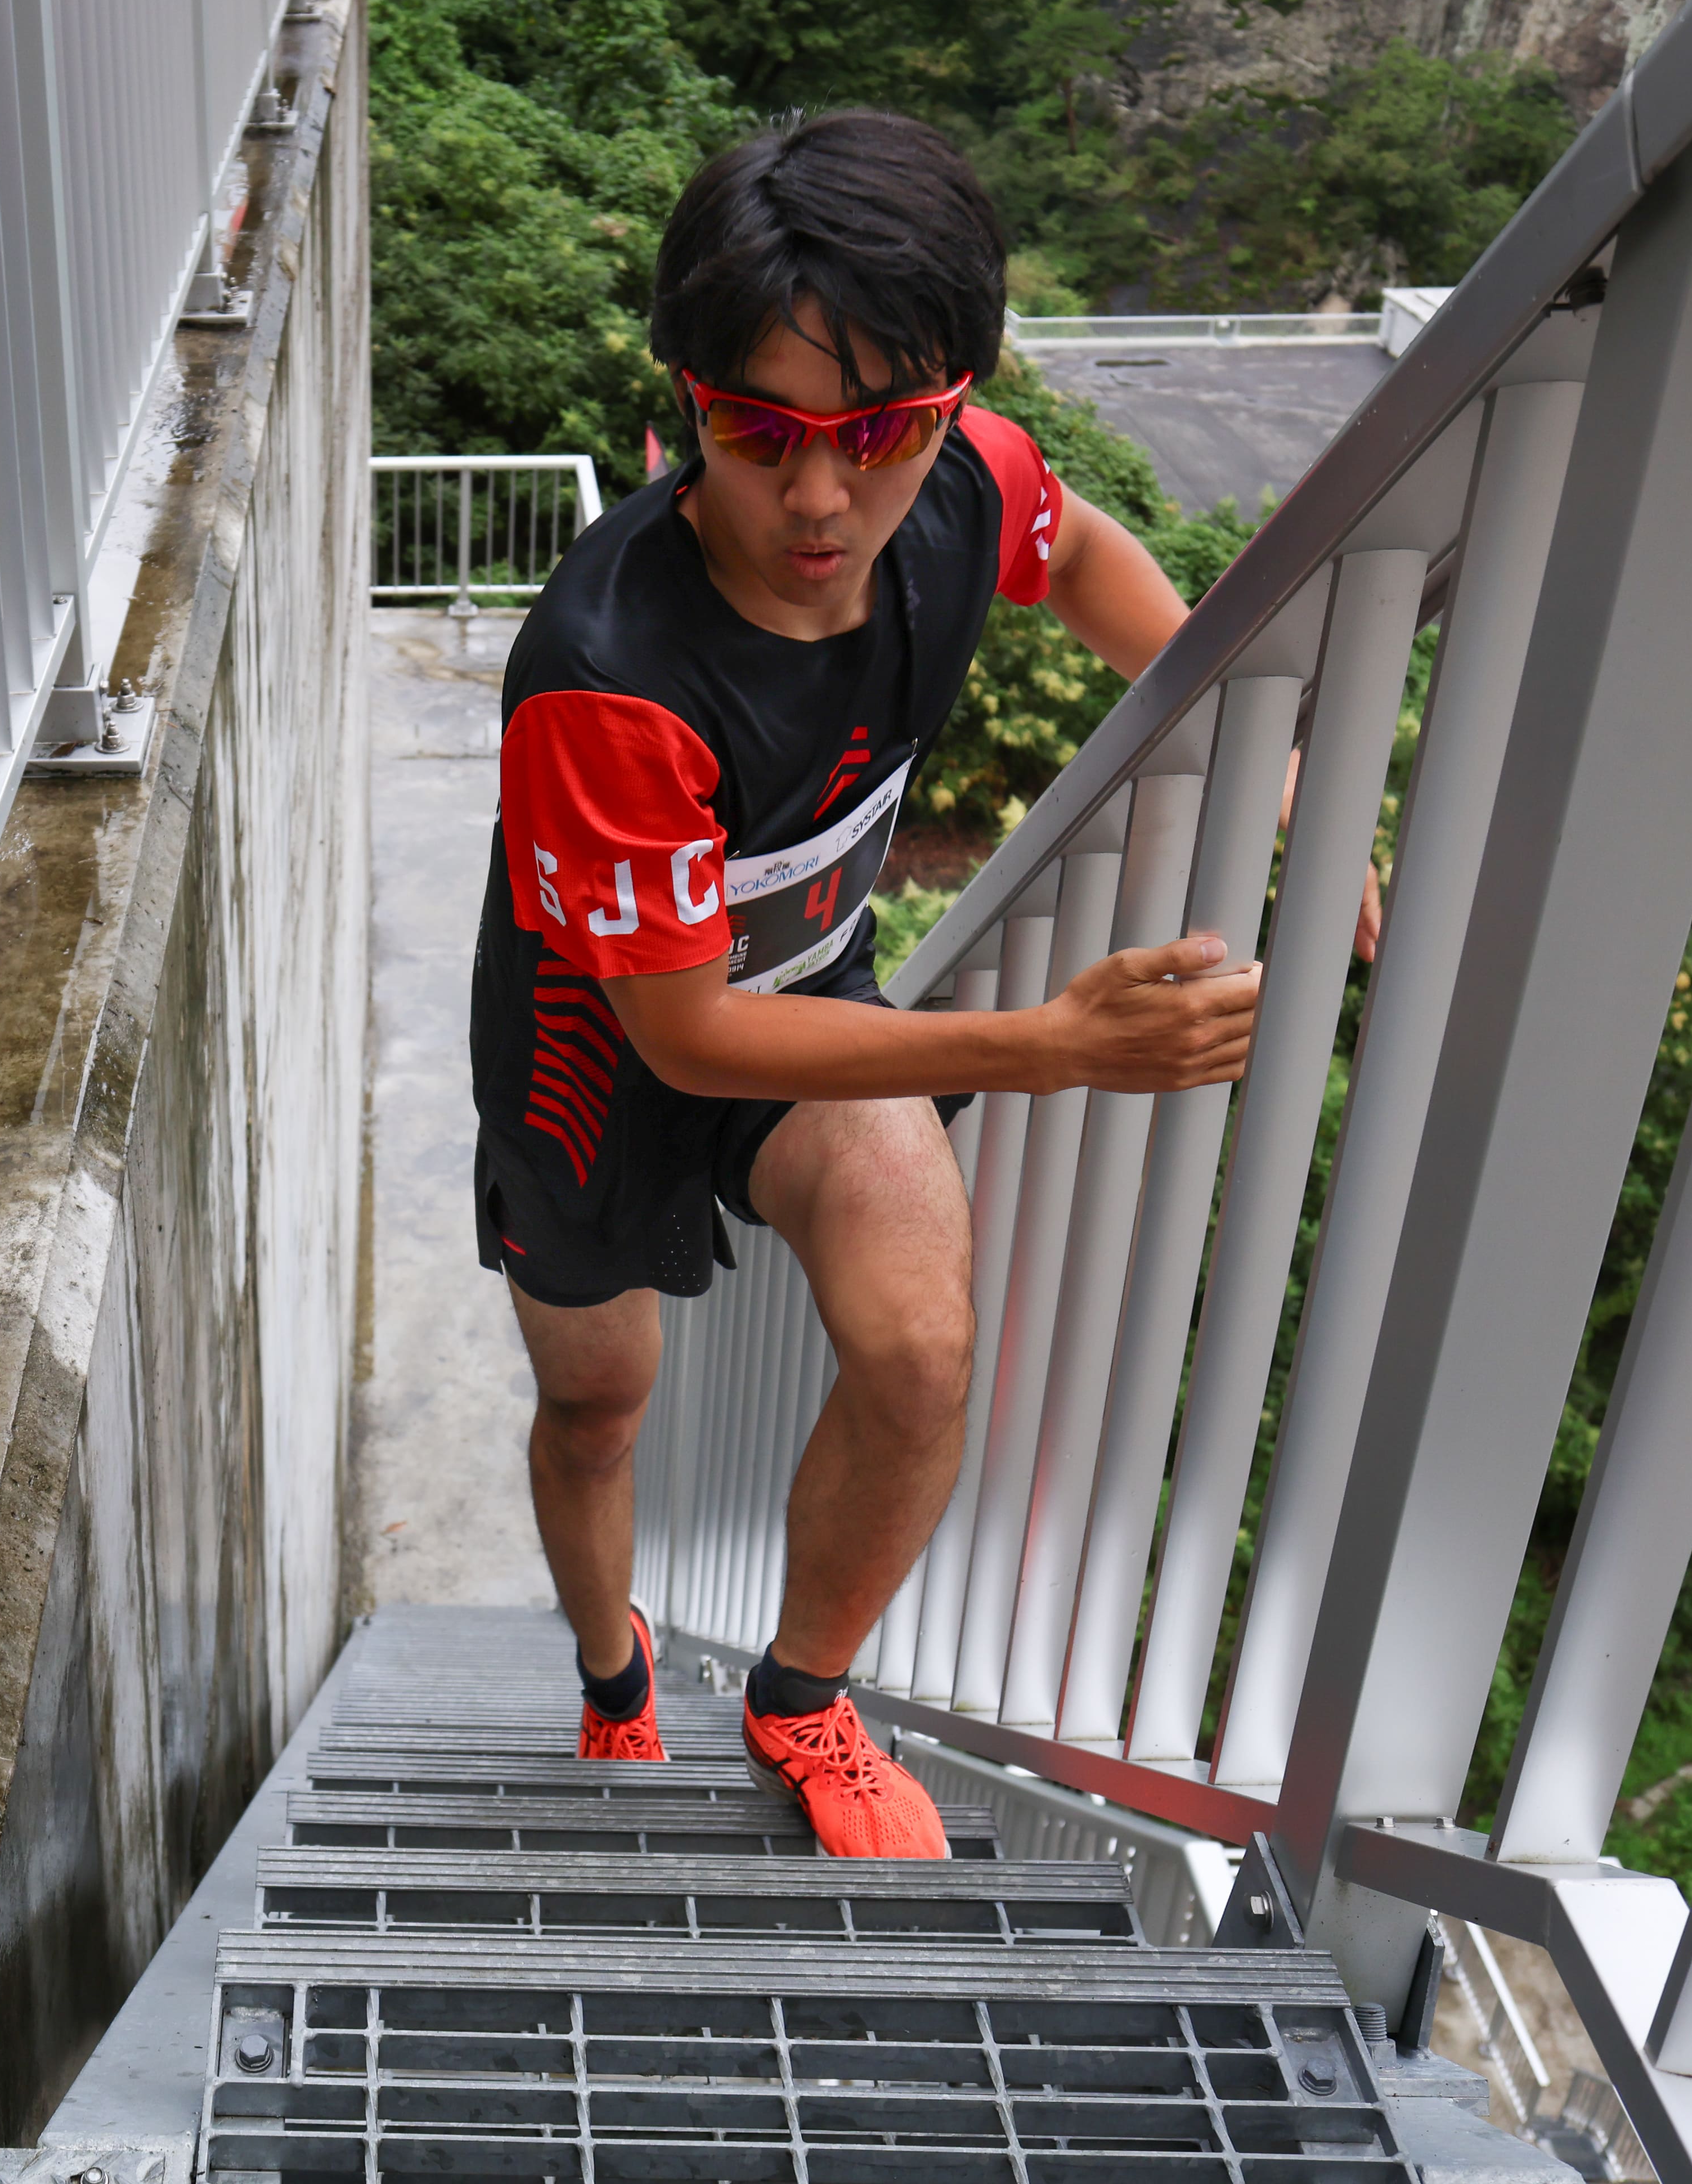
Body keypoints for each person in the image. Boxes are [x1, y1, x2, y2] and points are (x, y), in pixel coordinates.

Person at [467, 111, 1262, 1857]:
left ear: (950, 403)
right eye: (758, 431)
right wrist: (1056, 1044)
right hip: (599, 1057)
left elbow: (1082, 553)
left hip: (803, 1005)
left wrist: (1258, 755)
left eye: (882, 430)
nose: (823, 498)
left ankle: (803, 1697)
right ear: (683, 405)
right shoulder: (607, 675)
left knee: (917, 1353)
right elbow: (684, 1029)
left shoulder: (967, 487)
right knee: (598, 1406)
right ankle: (613, 1675)